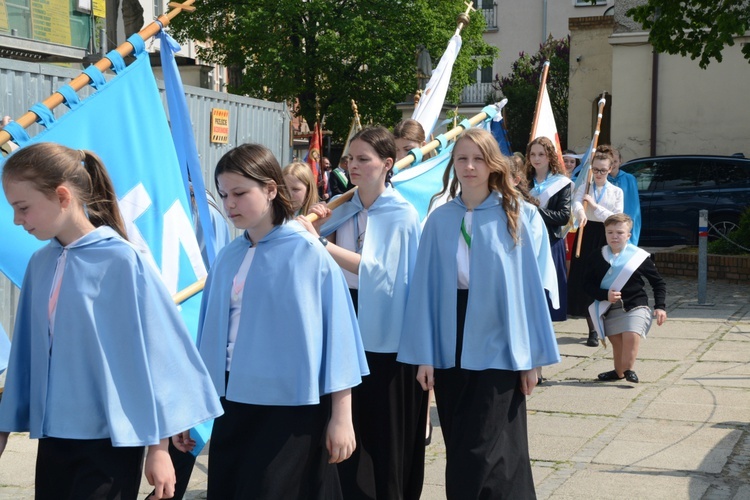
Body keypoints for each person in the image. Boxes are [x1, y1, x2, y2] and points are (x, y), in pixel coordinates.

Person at [0, 142, 223, 500]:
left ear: (62, 196)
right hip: (54, 442)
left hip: (111, 443)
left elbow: (159, 356)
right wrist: (5, 426)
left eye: (22, 208)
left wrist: (159, 448)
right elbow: (26, 354)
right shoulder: (40, 264)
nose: (16, 220)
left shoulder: (123, 262)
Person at [189, 143, 368, 499]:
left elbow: (338, 337)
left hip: (290, 410)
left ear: (271, 189)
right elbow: (207, 335)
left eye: (240, 193)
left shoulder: (307, 252)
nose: (230, 204)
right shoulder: (227, 257)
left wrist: (341, 415)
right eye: (224, 194)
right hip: (231, 402)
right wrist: (193, 408)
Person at [397, 128, 560, 499]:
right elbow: (422, 291)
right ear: (452, 165)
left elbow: (528, 294)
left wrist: (531, 358)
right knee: (460, 444)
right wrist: (424, 356)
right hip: (451, 339)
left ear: (492, 164)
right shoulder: (439, 220)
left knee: (493, 447)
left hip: (501, 342)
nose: (469, 167)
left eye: (477, 159)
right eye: (461, 159)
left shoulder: (517, 215)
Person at [298, 126, 425, 499]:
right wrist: (317, 221)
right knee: (344, 424)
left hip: (387, 330)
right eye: (350, 158)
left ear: (387, 164)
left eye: (363, 159)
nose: (353, 166)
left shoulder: (400, 213)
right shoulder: (344, 206)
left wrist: (319, 241)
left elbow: (377, 271)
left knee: (383, 431)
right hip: (344, 315)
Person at [585, 213, 666, 383]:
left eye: (620, 232)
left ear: (628, 235)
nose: (615, 236)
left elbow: (658, 283)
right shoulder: (596, 255)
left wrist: (660, 306)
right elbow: (586, 285)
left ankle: (629, 370)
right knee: (617, 344)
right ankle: (619, 372)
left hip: (635, 305)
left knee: (631, 335)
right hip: (607, 308)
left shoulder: (639, 257)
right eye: (610, 232)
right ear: (605, 233)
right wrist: (604, 295)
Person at [568, 145, 624, 347]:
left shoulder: (616, 192)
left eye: (603, 170)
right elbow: (575, 203)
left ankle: (607, 323)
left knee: (605, 281)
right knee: (586, 281)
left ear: (610, 170)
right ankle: (591, 329)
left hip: (607, 236)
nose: (599, 174)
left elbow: (614, 217)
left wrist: (593, 205)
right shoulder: (584, 186)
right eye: (596, 169)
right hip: (587, 232)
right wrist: (581, 212)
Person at [527, 136, 572, 322]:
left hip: (551, 241)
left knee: (549, 286)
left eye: (541, 154)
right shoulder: (524, 182)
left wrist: (535, 211)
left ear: (550, 156)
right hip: (527, 241)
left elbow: (564, 216)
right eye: (532, 154)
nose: (536, 159)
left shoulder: (562, 183)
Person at [607, 147, 641, 245]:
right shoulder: (602, 179)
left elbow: (633, 206)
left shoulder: (629, 178)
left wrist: (630, 228)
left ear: (620, 161)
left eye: (615, 161)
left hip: (624, 221)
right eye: (610, 162)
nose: (612, 165)